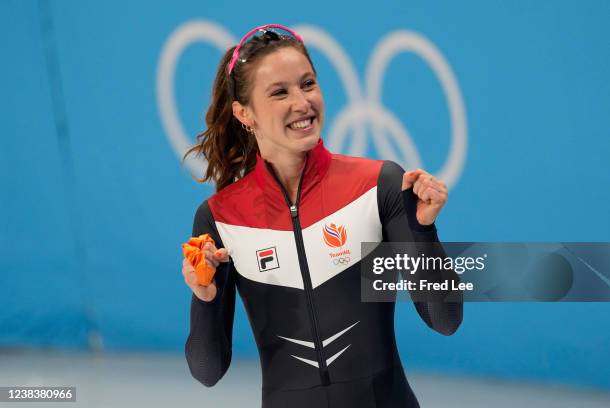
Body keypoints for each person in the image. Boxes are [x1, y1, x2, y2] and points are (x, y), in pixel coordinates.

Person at [181, 24, 463, 408]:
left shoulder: (379, 185)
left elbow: (444, 319)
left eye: (308, 84)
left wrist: (424, 230)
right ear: (244, 113)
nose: (302, 102)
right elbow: (207, 371)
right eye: (280, 92)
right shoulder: (220, 219)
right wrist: (205, 297)